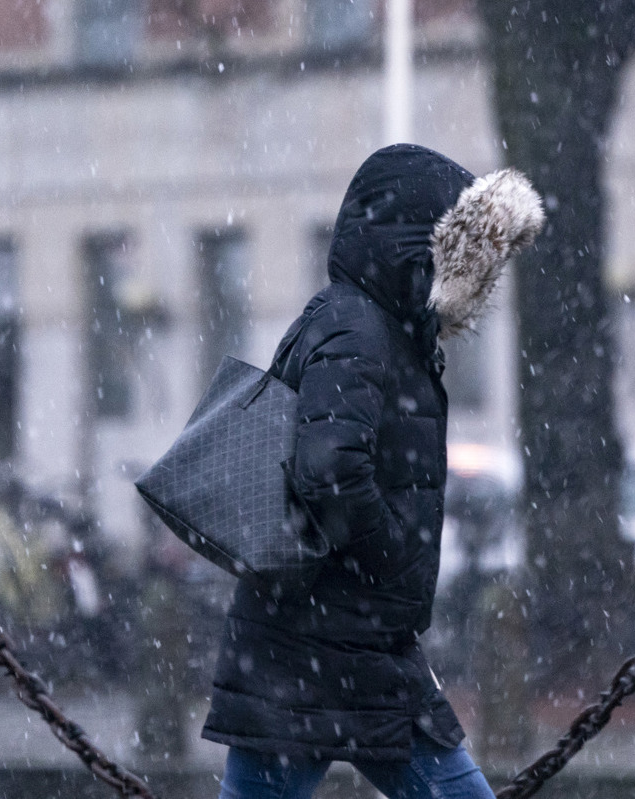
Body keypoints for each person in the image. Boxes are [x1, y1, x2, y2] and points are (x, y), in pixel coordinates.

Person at [201, 143, 545, 799]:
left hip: (328, 635)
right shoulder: (359, 327)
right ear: (421, 248)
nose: (479, 278)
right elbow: (330, 466)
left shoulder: (371, 327)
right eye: (469, 257)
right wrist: (390, 558)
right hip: (333, 639)